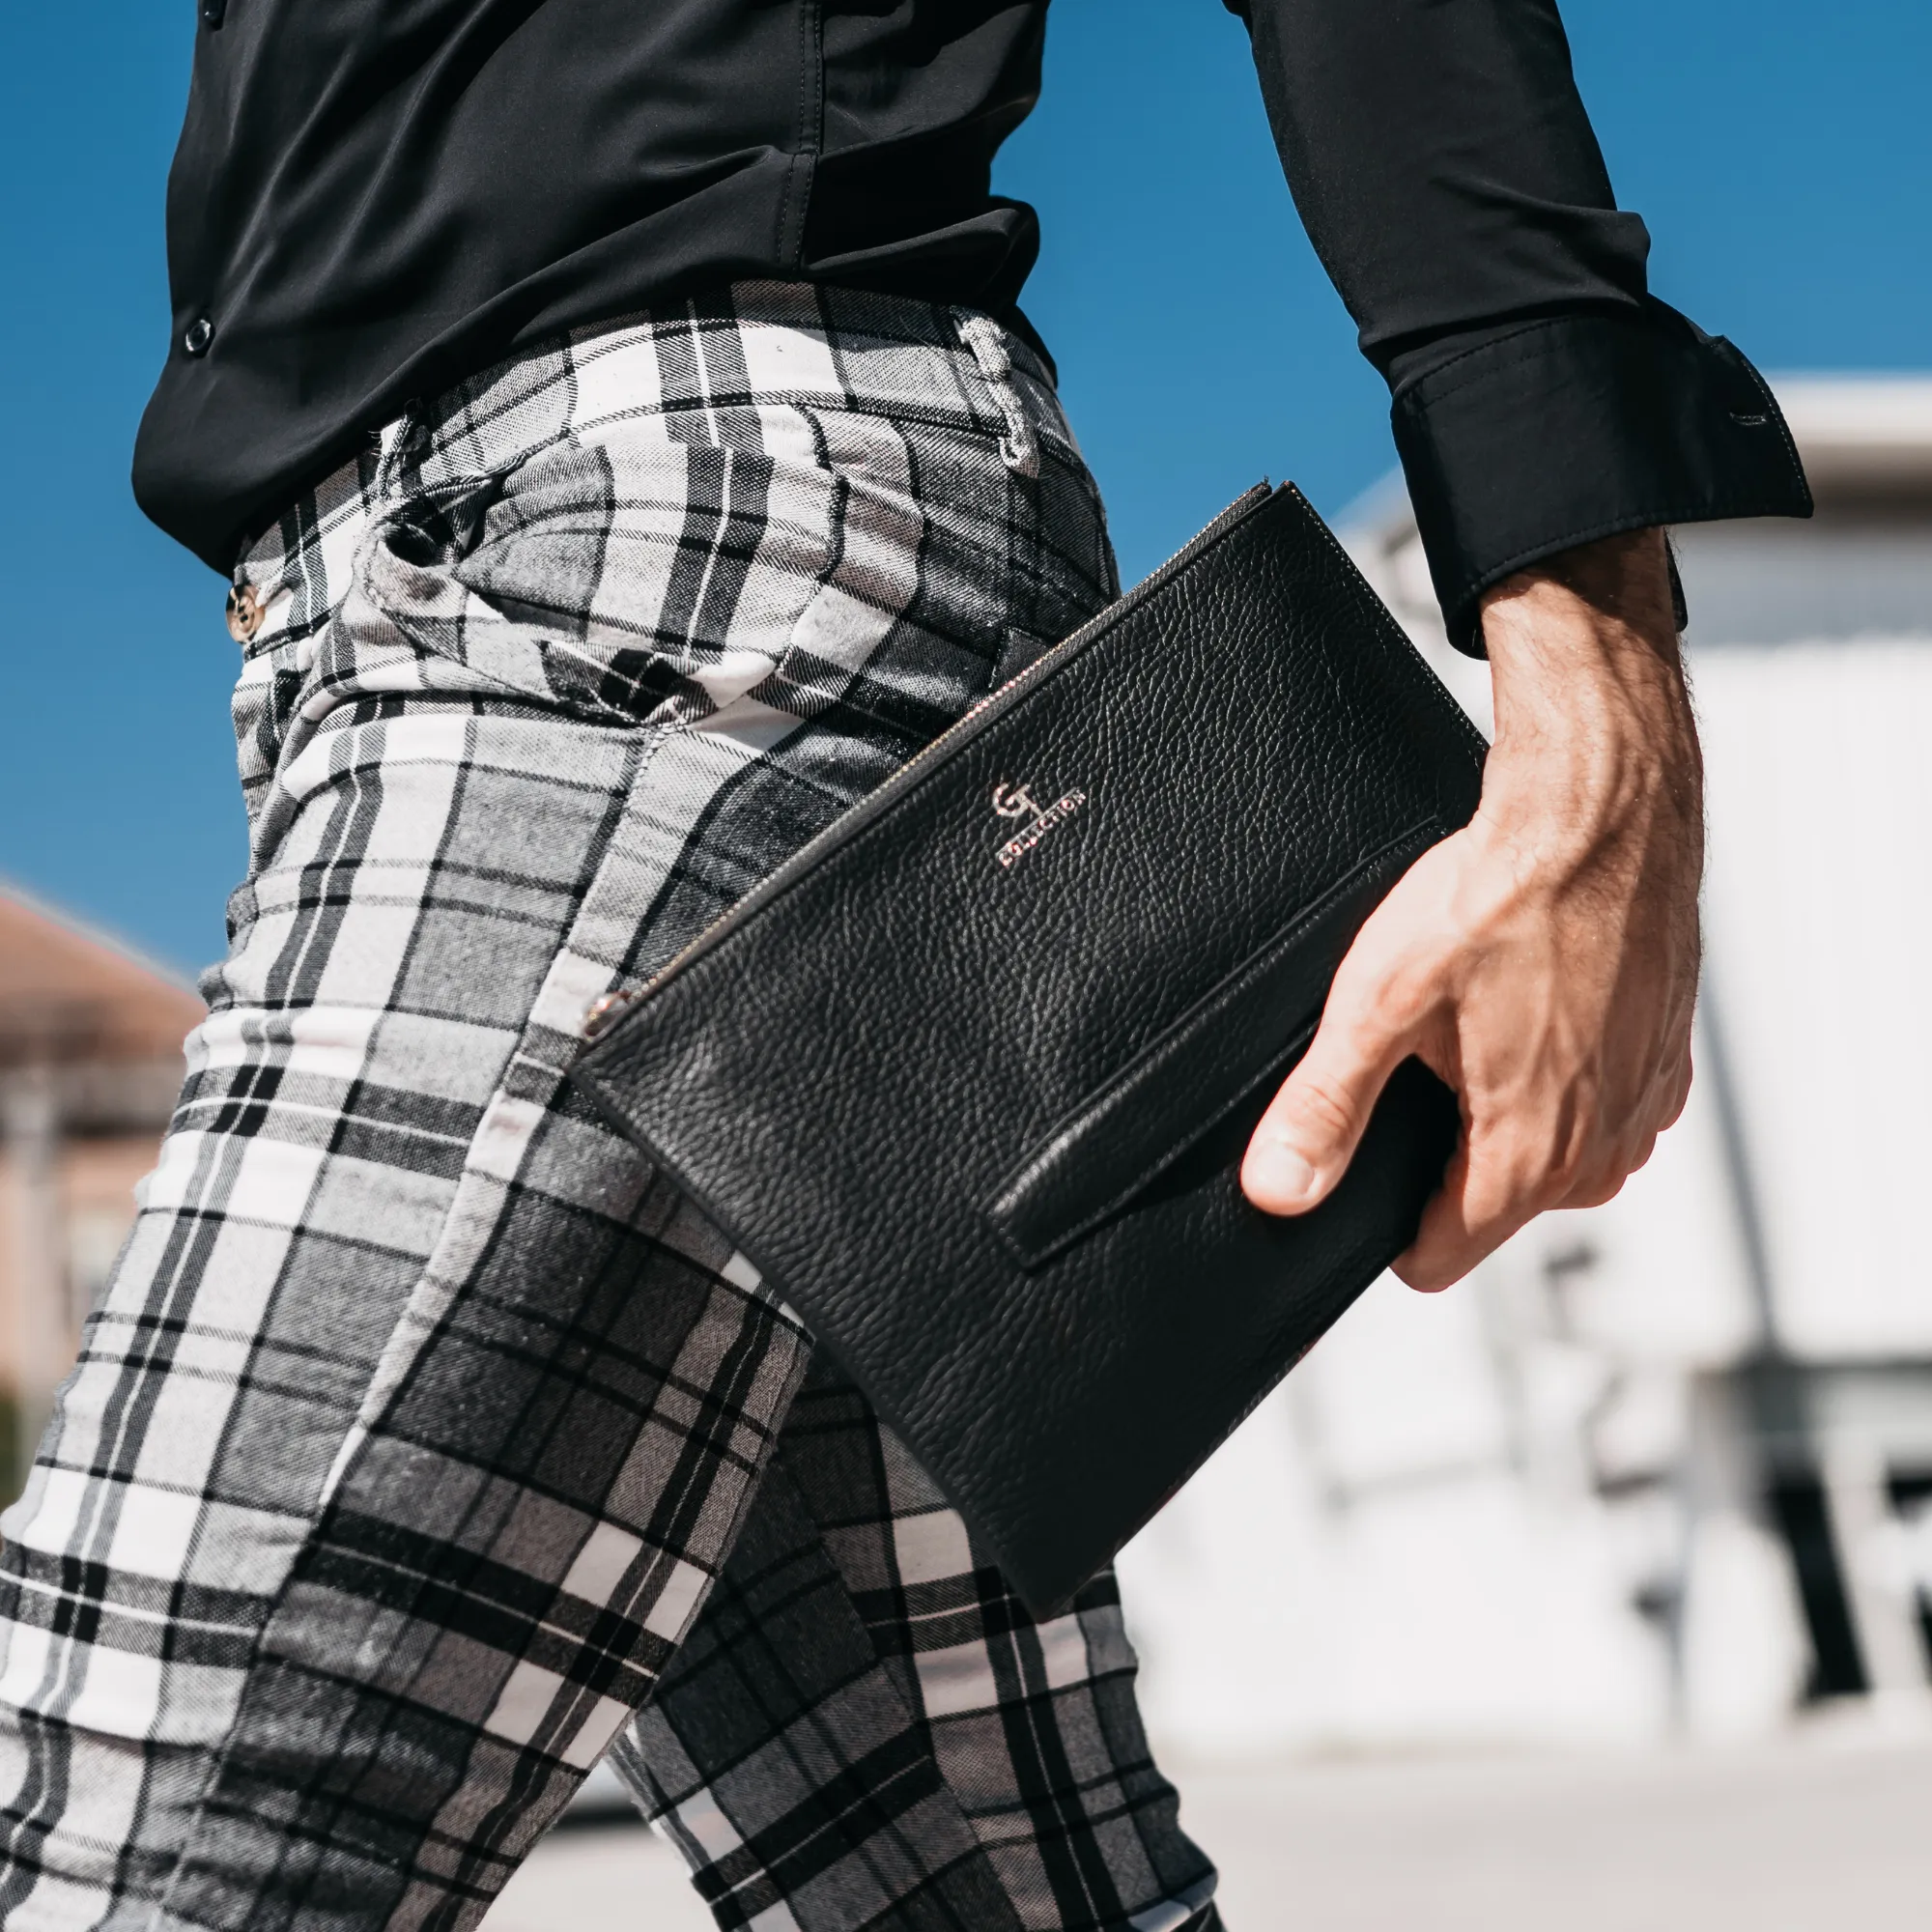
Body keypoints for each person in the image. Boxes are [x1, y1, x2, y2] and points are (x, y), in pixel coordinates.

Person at [0, 1, 1807, 1925]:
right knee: (972, 1882)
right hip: (436, 623)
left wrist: (1594, 698)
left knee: (146, 1830)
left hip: (648, 572)